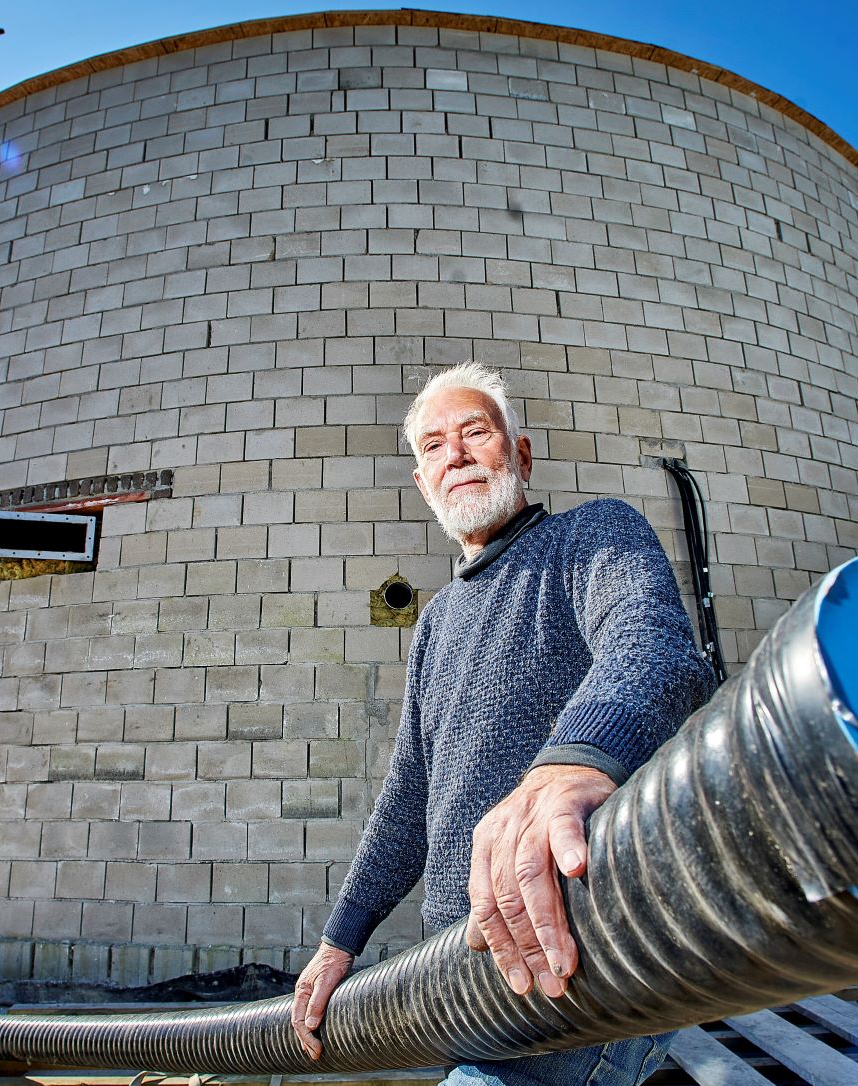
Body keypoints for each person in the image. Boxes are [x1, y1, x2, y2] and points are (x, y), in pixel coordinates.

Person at [289, 363, 718, 1086]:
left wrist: (570, 765)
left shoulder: (592, 537)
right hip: (475, 968)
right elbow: (406, 801)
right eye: (432, 446)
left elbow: (653, 645)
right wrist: (340, 940)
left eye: (473, 432)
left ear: (518, 456)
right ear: (425, 485)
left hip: (584, 947)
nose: (453, 453)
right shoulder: (435, 623)